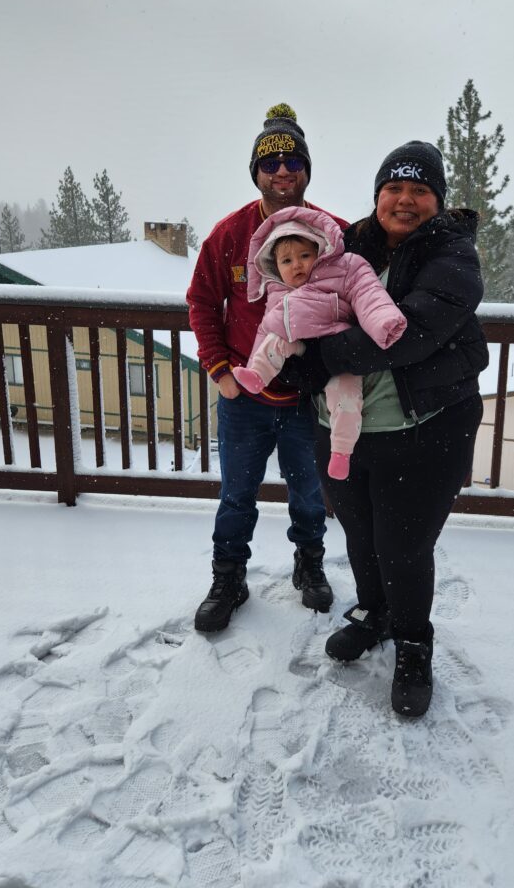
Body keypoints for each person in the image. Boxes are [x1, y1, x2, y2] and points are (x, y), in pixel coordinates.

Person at [297, 140, 488, 717]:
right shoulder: (348, 243)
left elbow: (409, 332)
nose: (404, 201)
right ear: (377, 196)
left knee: (403, 545)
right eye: (393, 189)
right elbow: (299, 290)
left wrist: (323, 358)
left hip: (425, 428)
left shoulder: (453, 256)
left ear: (437, 200)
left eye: (419, 190)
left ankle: (413, 642)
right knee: (359, 534)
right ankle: (374, 613)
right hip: (346, 430)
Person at [186, 104, 347, 633]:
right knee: (236, 495)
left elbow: (373, 270)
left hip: (306, 399)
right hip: (244, 399)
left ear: (306, 168)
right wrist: (218, 370)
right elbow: (202, 301)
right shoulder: (229, 235)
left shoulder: (330, 232)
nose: (282, 171)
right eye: (270, 163)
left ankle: (310, 564)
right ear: (255, 172)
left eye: (293, 160)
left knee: (309, 494)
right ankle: (228, 576)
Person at [232, 206, 407, 480]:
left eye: (304, 255)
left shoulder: (343, 269)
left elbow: (369, 294)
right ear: (274, 267)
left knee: (347, 399)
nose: (297, 265)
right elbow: (266, 329)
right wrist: (255, 361)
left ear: (320, 251)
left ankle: (341, 452)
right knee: (274, 341)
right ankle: (257, 376)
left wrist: (384, 321)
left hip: (340, 348)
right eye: (286, 261)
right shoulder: (278, 292)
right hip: (300, 346)